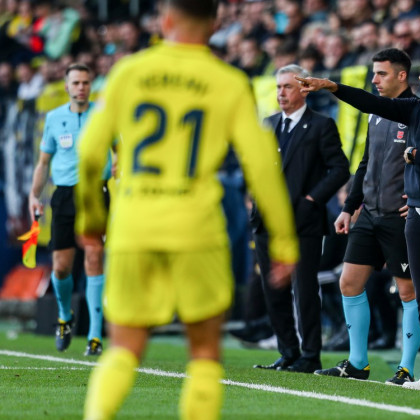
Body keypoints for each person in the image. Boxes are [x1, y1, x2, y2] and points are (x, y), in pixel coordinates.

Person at [75, 2, 299, 419]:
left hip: (134, 225)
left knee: (125, 346)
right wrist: (284, 241)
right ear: (215, 24)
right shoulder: (228, 81)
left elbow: (90, 154)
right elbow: (261, 165)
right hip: (197, 227)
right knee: (203, 354)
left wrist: (90, 221)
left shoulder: (129, 72)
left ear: (165, 20)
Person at [297, 51, 420, 397]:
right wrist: (332, 87)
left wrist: (414, 155)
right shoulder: (416, 109)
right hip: (418, 217)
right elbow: (369, 103)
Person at [314, 48, 420, 386]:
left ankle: (406, 368)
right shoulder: (375, 115)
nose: (374, 80)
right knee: (349, 282)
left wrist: (419, 199)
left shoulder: (418, 111)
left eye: (381, 74)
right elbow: (366, 163)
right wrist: (349, 207)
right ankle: (358, 363)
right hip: (370, 214)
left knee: (408, 292)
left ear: (402, 75)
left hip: (399, 217)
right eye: (373, 74)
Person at [251, 64, 349, 374]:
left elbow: (340, 169)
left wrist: (311, 199)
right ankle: (288, 352)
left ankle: (310, 355)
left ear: (304, 89)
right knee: (273, 290)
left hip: (303, 222)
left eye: (288, 87)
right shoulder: (267, 126)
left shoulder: (321, 125)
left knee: (305, 290)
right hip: (267, 222)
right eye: (279, 87)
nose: (281, 92)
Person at [28, 62, 110, 356]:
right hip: (63, 196)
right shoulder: (54, 118)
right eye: (76, 83)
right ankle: (65, 317)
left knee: (94, 260)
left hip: (96, 194)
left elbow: (121, 150)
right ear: (66, 86)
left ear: (91, 85)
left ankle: (95, 336)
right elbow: (43, 162)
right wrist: (33, 195)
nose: (81, 87)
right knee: (61, 268)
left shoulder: (103, 116)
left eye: (86, 82)